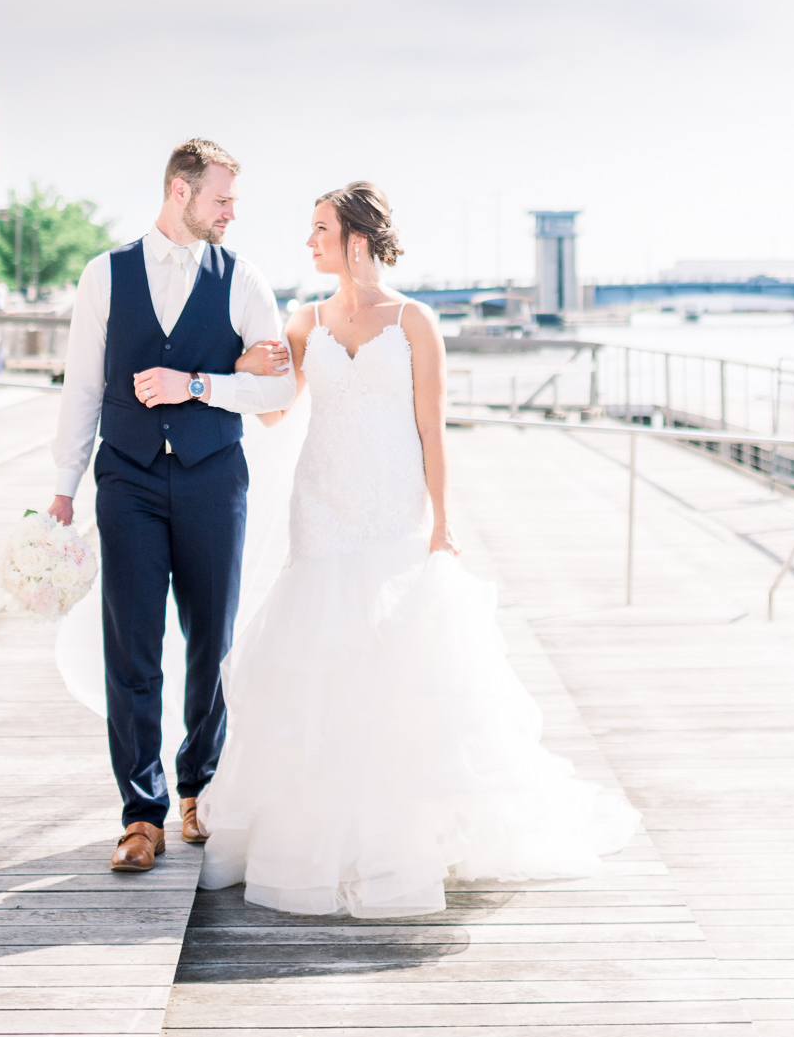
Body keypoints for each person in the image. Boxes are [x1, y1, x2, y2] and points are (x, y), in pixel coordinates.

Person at [193, 182, 640, 916]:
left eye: (319, 230)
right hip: (323, 508)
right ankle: (311, 837)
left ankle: (396, 836)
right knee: (318, 658)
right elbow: (277, 416)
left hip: (392, 508)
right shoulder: (305, 322)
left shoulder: (414, 320)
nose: (308, 242)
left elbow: (432, 428)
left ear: (356, 240)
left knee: (394, 662)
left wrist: (442, 523)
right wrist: (245, 367)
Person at [47, 137, 294, 874]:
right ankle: (139, 813)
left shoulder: (242, 276)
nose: (231, 214)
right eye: (222, 199)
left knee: (211, 643)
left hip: (214, 479)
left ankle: (200, 789)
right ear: (180, 192)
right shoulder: (105, 275)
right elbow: (82, 389)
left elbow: (279, 389)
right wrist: (63, 488)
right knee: (130, 649)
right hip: (125, 481)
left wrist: (198, 384)